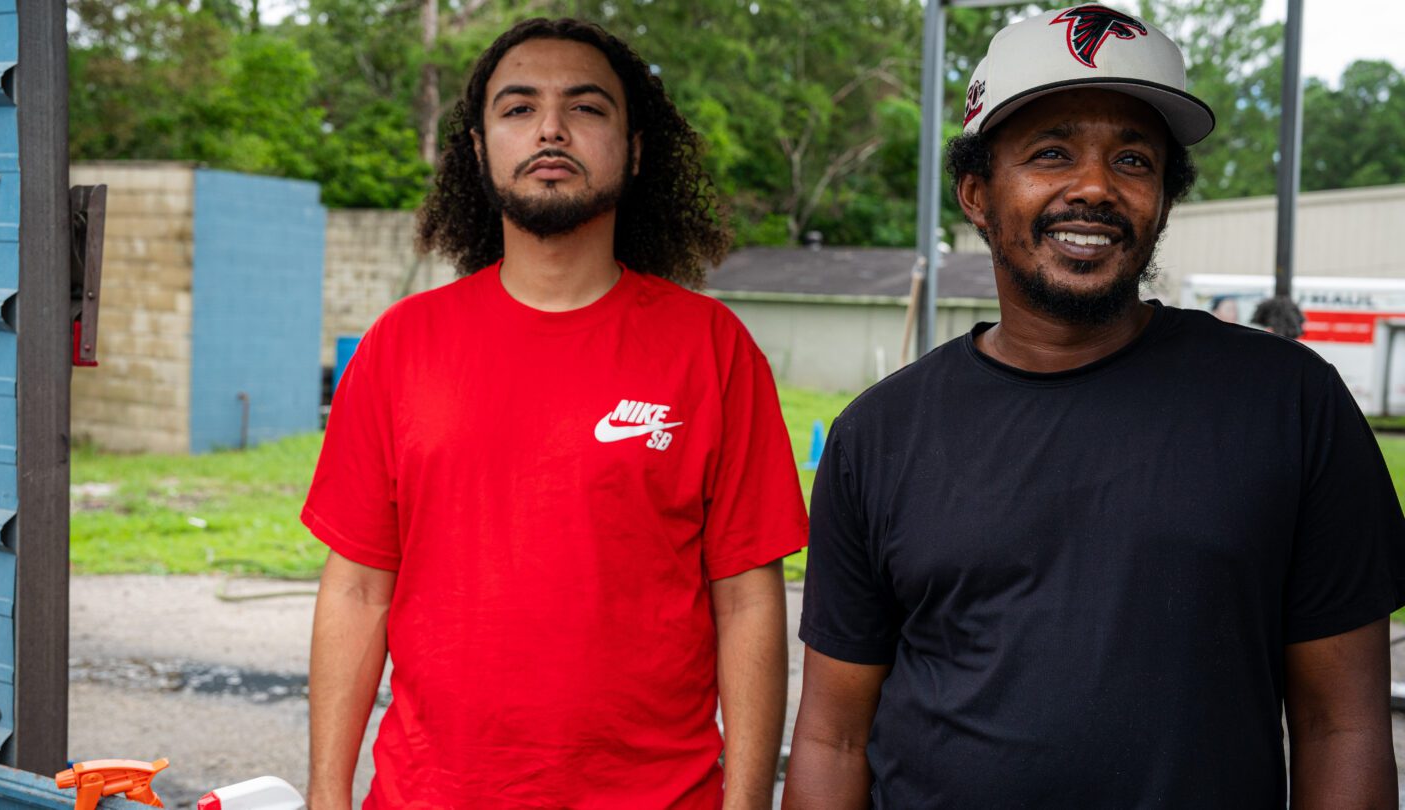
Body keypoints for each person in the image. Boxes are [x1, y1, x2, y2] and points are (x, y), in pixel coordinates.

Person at [785, 5, 1405, 808]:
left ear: (1165, 200)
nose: (1095, 188)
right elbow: (833, 736)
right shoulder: (879, 434)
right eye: (1051, 153)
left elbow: (1342, 726)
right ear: (976, 193)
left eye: (1134, 160)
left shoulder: (1291, 404)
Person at [303, 18, 806, 810]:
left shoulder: (712, 348)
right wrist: (324, 796)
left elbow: (746, 599)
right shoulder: (401, 344)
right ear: (478, 150)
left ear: (636, 149)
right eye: (517, 107)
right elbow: (359, 588)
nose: (550, 128)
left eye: (587, 107)